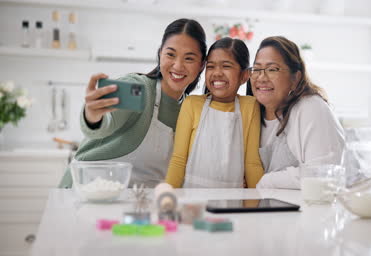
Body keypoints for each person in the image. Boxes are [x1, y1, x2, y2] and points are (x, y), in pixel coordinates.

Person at [59, 18, 207, 188]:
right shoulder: (136, 87)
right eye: (170, 54)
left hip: (136, 202)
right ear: (160, 54)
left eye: (189, 58)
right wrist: (92, 116)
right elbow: (105, 122)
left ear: (201, 65)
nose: (178, 65)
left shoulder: (190, 109)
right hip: (86, 189)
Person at [246, 36, 345, 189]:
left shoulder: (311, 107)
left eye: (273, 69)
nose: (261, 77)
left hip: (316, 210)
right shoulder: (253, 115)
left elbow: (323, 174)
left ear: (295, 78)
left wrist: (263, 181)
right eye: (257, 69)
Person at [165, 37, 264, 188]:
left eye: (226, 66)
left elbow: (252, 164)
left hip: (232, 204)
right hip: (192, 202)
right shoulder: (192, 104)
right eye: (210, 67)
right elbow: (178, 160)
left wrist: (258, 208)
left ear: (244, 76)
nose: (217, 73)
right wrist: (167, 199)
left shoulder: (250, 107)